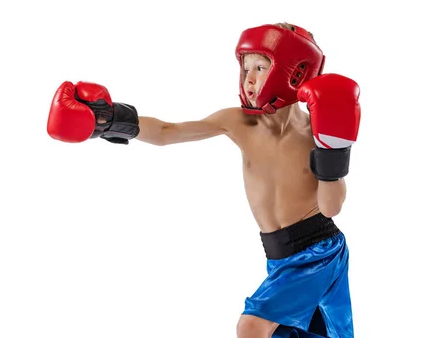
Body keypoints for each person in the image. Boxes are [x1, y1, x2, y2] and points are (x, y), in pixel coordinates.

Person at [46, 22, 361, 338]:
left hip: (320, 250)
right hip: (279, 257)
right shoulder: (238, 122)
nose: (249, 79)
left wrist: (334, 150)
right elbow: (169, 132)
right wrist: (111, 120)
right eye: (244, 67)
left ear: (294, 73)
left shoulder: (313, 135)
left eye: (261, 67)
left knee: (251, 326)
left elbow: (330, 207)